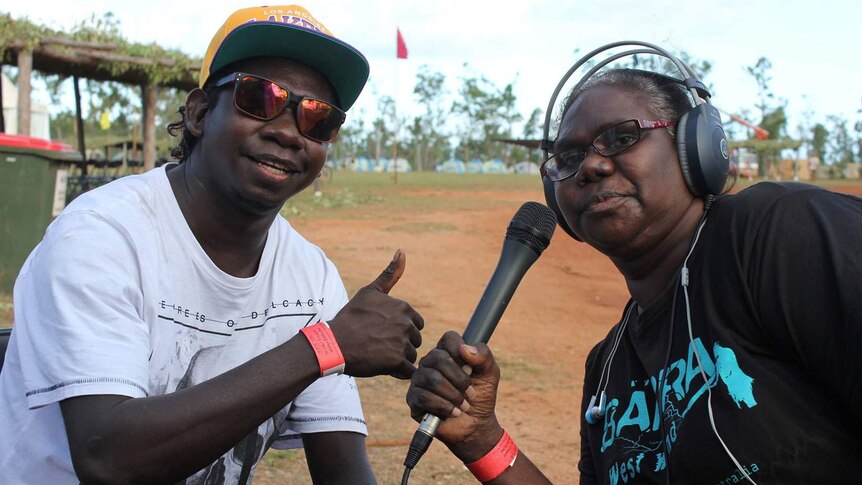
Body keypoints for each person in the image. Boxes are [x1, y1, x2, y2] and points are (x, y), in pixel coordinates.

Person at [0, 5, 425, 484]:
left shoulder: (310, 276)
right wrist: (325, 346)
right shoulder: (102, 235)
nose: (288, 131)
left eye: (317, 118)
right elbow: (107, 457)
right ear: (200, 113)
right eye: (259, 98)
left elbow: (344, 472)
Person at [406, 46, 862, 484]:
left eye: (622, 137)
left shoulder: (778, 234)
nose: (591, 166)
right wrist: (481, 438)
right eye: (568, 157)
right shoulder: (607, 369)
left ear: (695, 147)